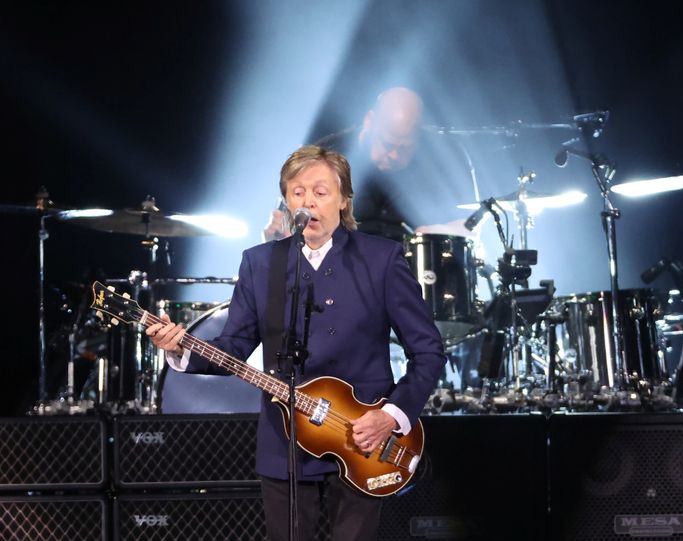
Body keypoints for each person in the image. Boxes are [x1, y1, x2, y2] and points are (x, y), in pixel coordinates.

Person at [146, 145, 447, 541]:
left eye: (321, 192)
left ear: (343, 199)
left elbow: (428, 351)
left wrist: (390, 416)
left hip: (363, 439)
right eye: (297, 192)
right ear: (287, 200)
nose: (309, 201)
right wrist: (179, 348)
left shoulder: (382, 258)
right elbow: (234, 345)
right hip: (285, 442)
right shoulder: (261, 263)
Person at [264, 87, 475, 243]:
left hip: (411, 281)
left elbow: (471, 227)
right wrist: (277, 236)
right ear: (369, 122)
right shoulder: (321, 158)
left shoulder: (437, 165)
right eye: (387, 144)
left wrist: (441, 231)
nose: (393, 154)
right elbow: (282, 230)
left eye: (404, 148)